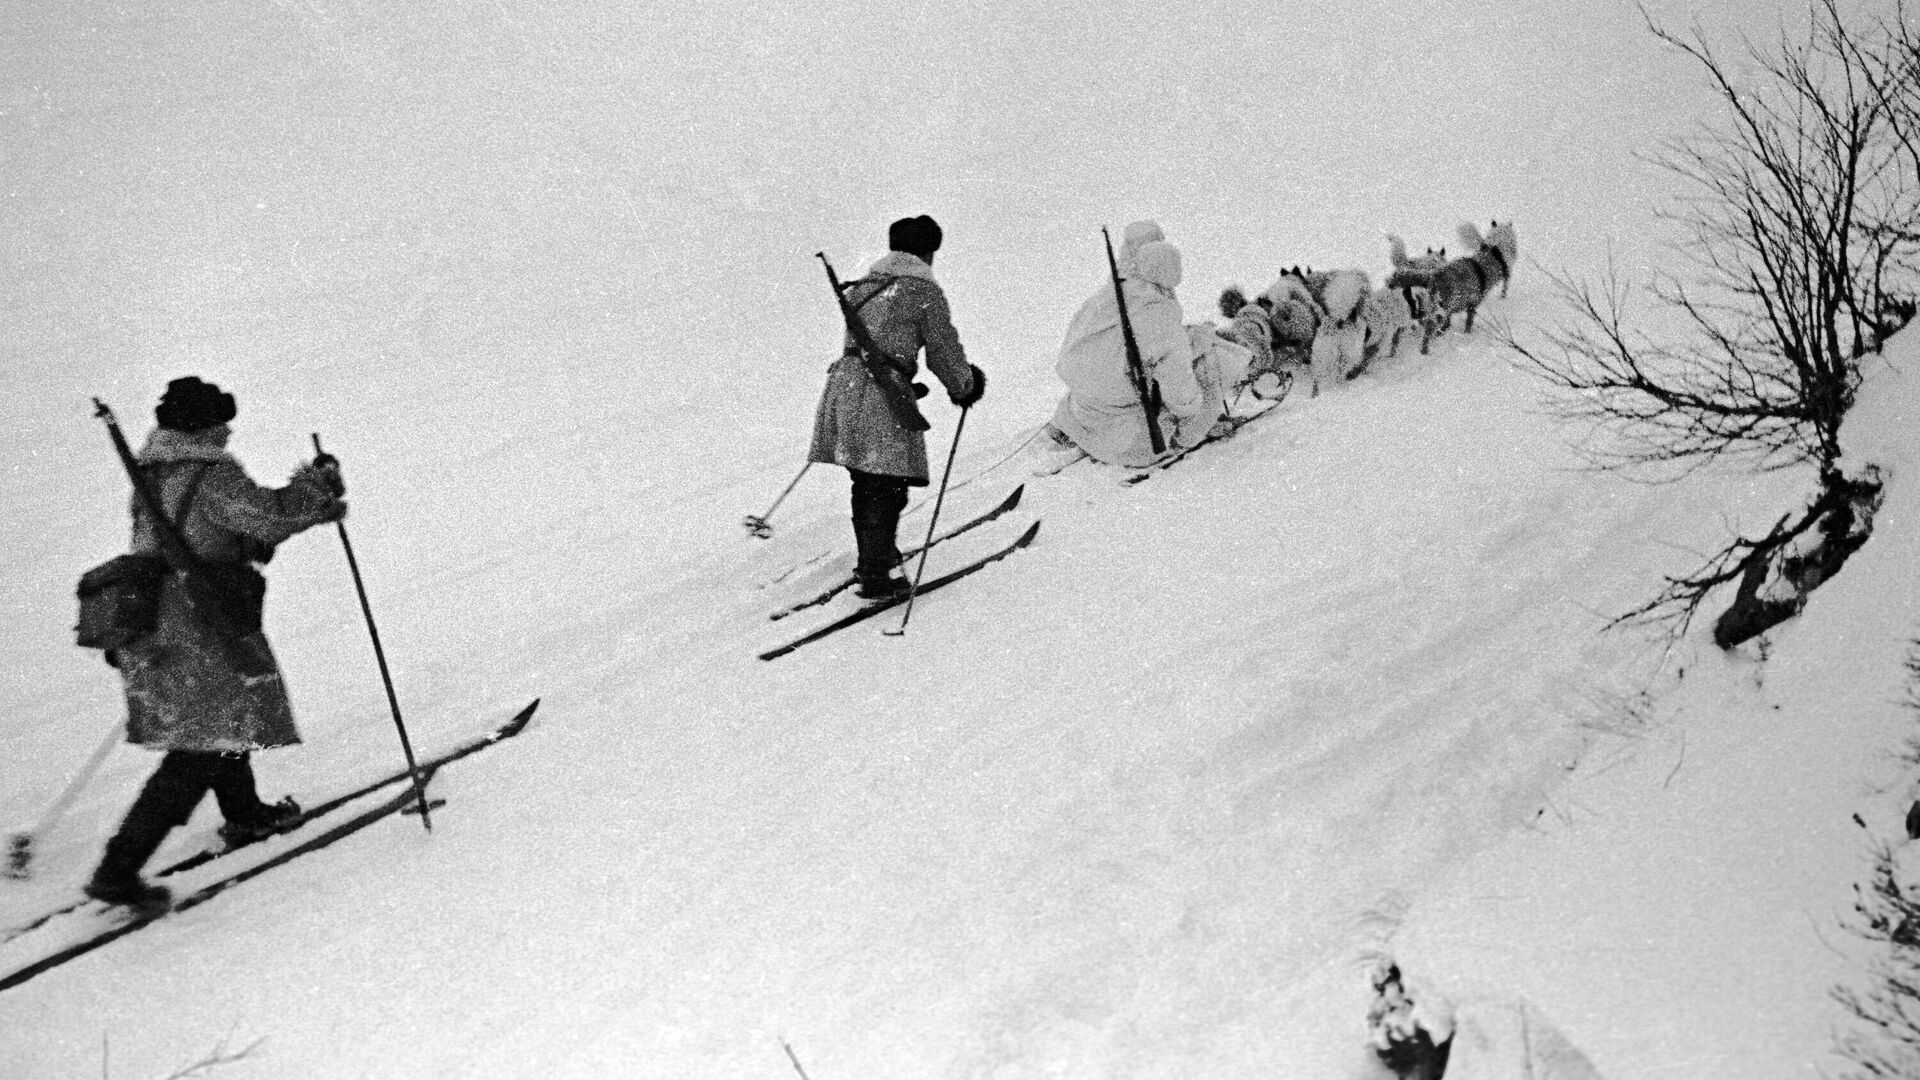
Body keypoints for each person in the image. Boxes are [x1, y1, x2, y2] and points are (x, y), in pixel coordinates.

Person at [85, 377, 348, 912]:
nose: (228, 430)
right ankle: (117, 871)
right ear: (201, 428)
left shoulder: (153, 475)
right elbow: (271, 516)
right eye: (220, 421)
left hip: (160, 620)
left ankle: (246, 812)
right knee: (197, 750)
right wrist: (318, 490)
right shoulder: (207, 475)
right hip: (194, 624)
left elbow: (209, 537)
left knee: (223, 720)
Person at [808, 216, 985, 600]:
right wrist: (965, 385)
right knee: (888, 485)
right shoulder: (921, 291)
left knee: (866, 479)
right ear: (928, 252)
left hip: (846, 388)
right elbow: (942, 349)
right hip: (880, 394)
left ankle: (875, 555)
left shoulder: (865, 287)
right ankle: (877, 572)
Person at [1043, 239, 1226, 469]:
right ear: (1168, 271)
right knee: (1210, 361)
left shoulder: (1108, 297)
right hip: (1129, 441)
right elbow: (1182, 398)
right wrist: (1197, 417)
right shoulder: (1159, 313)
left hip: (1080, 416)